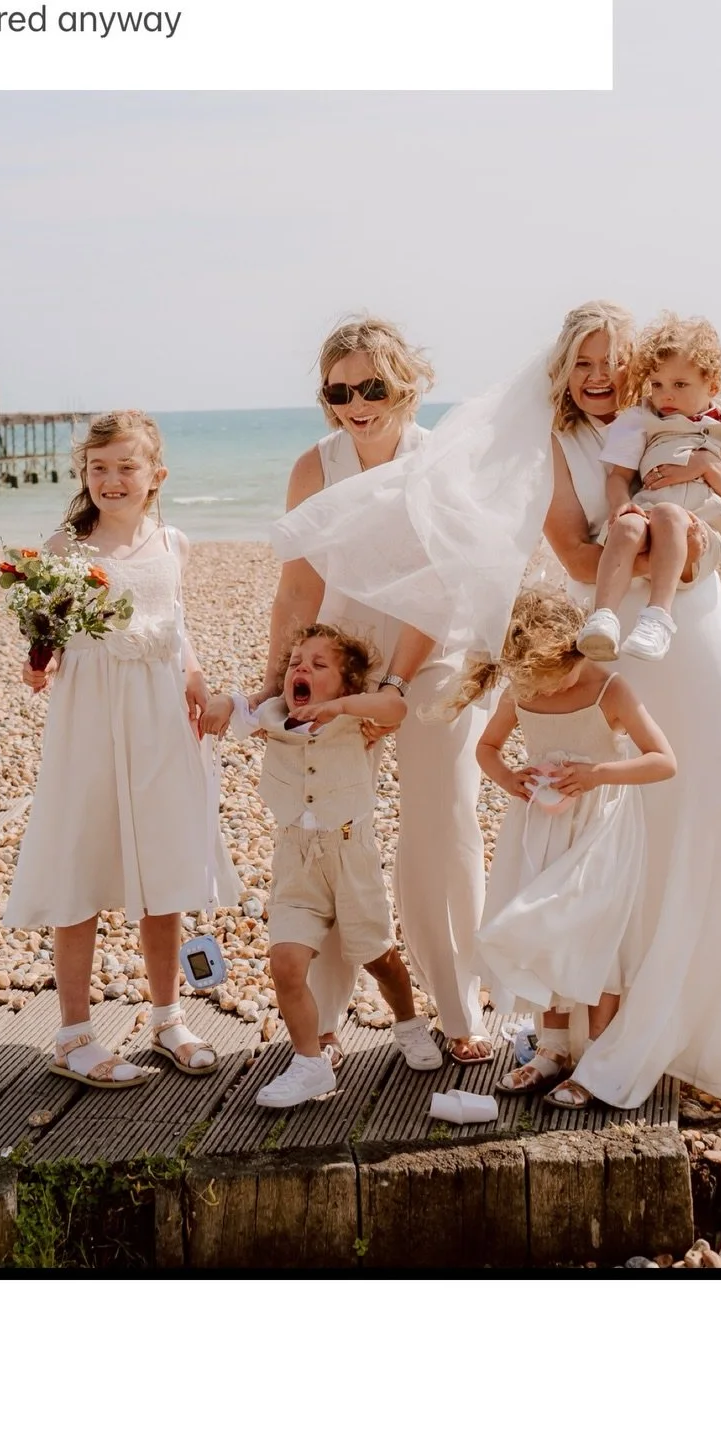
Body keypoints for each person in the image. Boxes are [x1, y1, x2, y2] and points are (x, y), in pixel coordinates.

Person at [540, 304, 721, 1106]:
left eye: (611, 362)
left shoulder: (680, 421)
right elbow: (572, 548)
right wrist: (674, 545)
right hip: (614, 637)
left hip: (700, 627)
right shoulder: (565, 444)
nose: (599, 376)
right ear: (564, 371)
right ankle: (632, 1022)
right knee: (645, 823)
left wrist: (708, 491)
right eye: (583, 363)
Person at [259, 318, 494, 1065]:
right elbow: (298, 586)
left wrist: (394, 689)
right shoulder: (314, 467)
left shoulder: (441, 462)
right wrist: (277, 687)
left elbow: (446, 585)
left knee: (442, 830)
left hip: (433, 664)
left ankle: (459, 1006)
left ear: (408, 384)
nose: (357, 403)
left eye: (374, 386)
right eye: (339, 390)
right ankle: (323, 1016)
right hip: (339, 672)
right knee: (325, 833)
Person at [4, 410, 240, 1089]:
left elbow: (176, 622)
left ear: (155, 476)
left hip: (161, 713)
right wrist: (37, 662)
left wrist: (195, 677)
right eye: (98, 468)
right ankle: (73, 1034)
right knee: (84, 857)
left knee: (162, 861)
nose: (111, 480)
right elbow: (45, 627)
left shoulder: (173, 541)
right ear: (84, 475)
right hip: (90, 716)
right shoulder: (66, 545)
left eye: (125, 467)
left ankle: (167, 1017)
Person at [442, 590, 676, 1109]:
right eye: (534, 685)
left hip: (601, 829)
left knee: (599, 933)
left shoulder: (610, 690)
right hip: (541, 829)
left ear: (578, 652)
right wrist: (511, 779)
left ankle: (597, 1056)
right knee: (544, 929)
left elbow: (663, 761)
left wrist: (596, 775)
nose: (545, 692)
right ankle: (550, 1050)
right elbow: (487, 748)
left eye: (556, 679)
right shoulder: (522, 688)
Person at [204, 624, 444, 1106]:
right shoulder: (274, 714)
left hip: (350, 853)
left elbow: (395, 706)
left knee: (379, 956)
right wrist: (224, 702)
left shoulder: (357, 717)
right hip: (294, 859)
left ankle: (408, 1022)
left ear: (347, 684)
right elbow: (238, 708)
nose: (302, 669)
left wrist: (341, 707)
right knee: (285, 964)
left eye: (318, 665)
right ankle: (310, 1063)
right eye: (296, 662)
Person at [576, 312, 721, 662]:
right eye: (657, 385)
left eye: (680, 385)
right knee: (628, 525)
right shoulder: (641, 420)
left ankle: (657, 618)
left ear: (712, 386)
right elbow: (618, 477)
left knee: (672, 515)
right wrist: (620, 505)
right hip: (650, 516)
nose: (665, 395)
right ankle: (603, 619)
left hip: (699, 533)